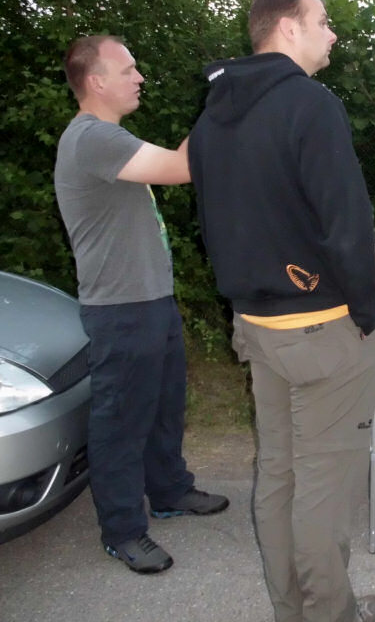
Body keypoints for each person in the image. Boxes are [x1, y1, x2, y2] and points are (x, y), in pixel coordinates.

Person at [187, 0, 375, 621]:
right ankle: (330, 614)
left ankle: (292, 610)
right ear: (288, 28)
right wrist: (367, 313)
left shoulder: (214, 115)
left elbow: (215, 222)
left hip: (257, 323)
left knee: (280, 476)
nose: (333, 34)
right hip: (324, 329)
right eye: (323, 21)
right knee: (323, 489)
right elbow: (346, 223)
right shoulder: (310, 104)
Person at [54, 35, 229, 575]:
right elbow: (183, 167)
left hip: (150, 299)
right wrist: (225, 97)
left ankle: (170, 490)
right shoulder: (92, 138)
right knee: (122, 422)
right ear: (95, 81)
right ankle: (123, 530)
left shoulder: (110, 136)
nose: (140, 77)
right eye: (128, 69)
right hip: (121, 308)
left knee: (162, 407)